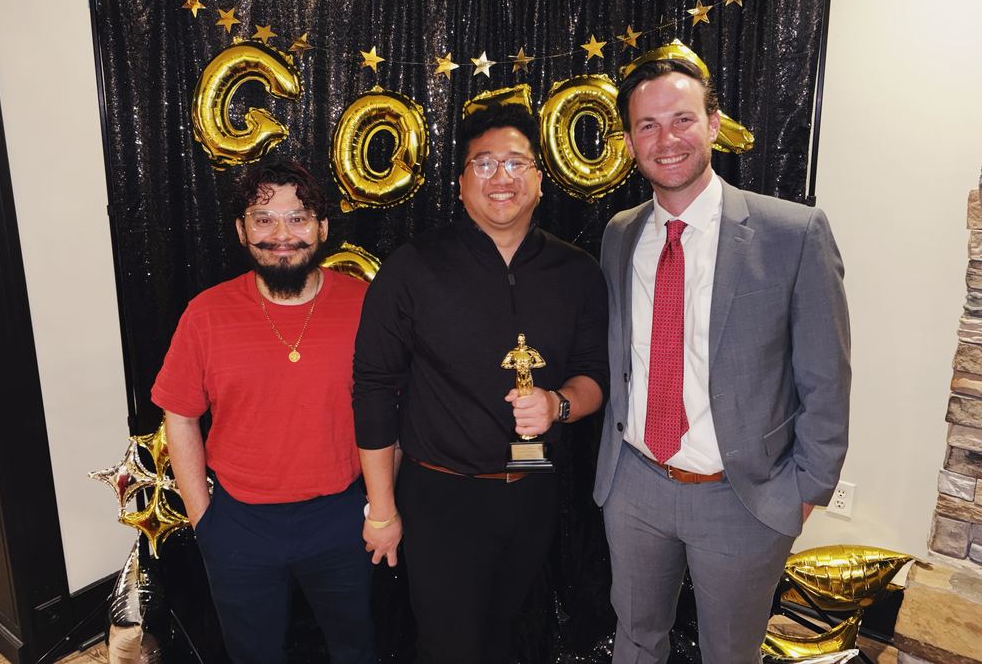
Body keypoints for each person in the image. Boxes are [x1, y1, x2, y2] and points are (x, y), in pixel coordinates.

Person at [594, 58, 850, 664]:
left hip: (743, 497)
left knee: (731, 653)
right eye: (648, 125)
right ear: (629, 143)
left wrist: (806, 489)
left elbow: (827, 376)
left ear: (713, 124)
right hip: (635, 483)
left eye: (682, 119)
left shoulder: (793, 232)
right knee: (635, 640)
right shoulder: (620, 234)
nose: (667, 139)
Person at [353, 103, 609, 664]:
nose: (502, 178)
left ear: (539, 179)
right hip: (442, 493)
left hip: (533, 481)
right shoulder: (413, 267)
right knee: (449, 647)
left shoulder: (577, 272)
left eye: (516, 162)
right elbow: (374, 388)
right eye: (485, 163)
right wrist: (381, 508)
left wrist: (559, 405)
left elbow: (595, 375)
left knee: (502, 634)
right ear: (461, 182)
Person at [151, 158, 374, 664]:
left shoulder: (366, 305)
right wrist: (204, 520)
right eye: (264, 218)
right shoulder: (206, 313)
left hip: (341, 516)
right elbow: (180, 415)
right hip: (239, 522)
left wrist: (379, 503)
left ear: (322, 228)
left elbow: (394, 409)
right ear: (241, 230)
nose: (282, 234)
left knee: (355, 650)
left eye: (298, 218)